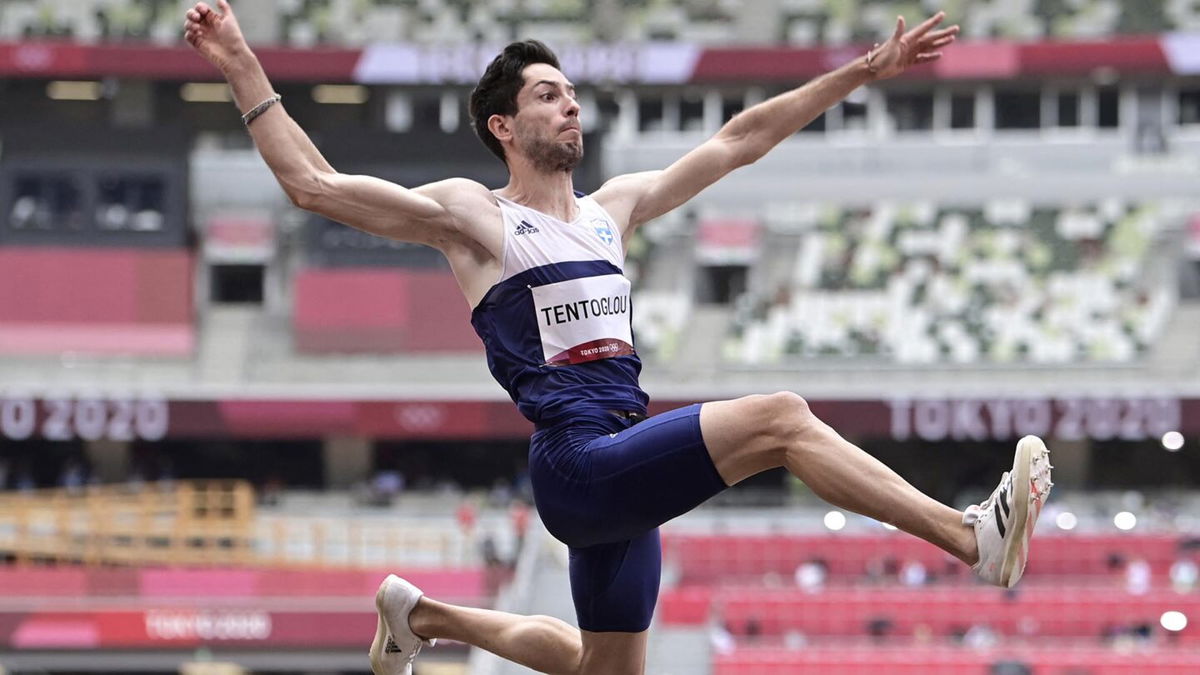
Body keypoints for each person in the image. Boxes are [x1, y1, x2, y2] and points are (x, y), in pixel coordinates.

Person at [183, 3, 1053, 674]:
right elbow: (313, 184)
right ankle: (968, 535)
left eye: (570, 93)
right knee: (782, 417)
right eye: (547, 96)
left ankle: (422, 615)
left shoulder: (611, 214)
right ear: (503, 128)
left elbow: (740, 139)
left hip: (621, 459)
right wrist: (237, 57)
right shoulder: (475, 219)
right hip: (576, 463)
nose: (570, 107)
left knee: (602, 665)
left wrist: (863, 70)